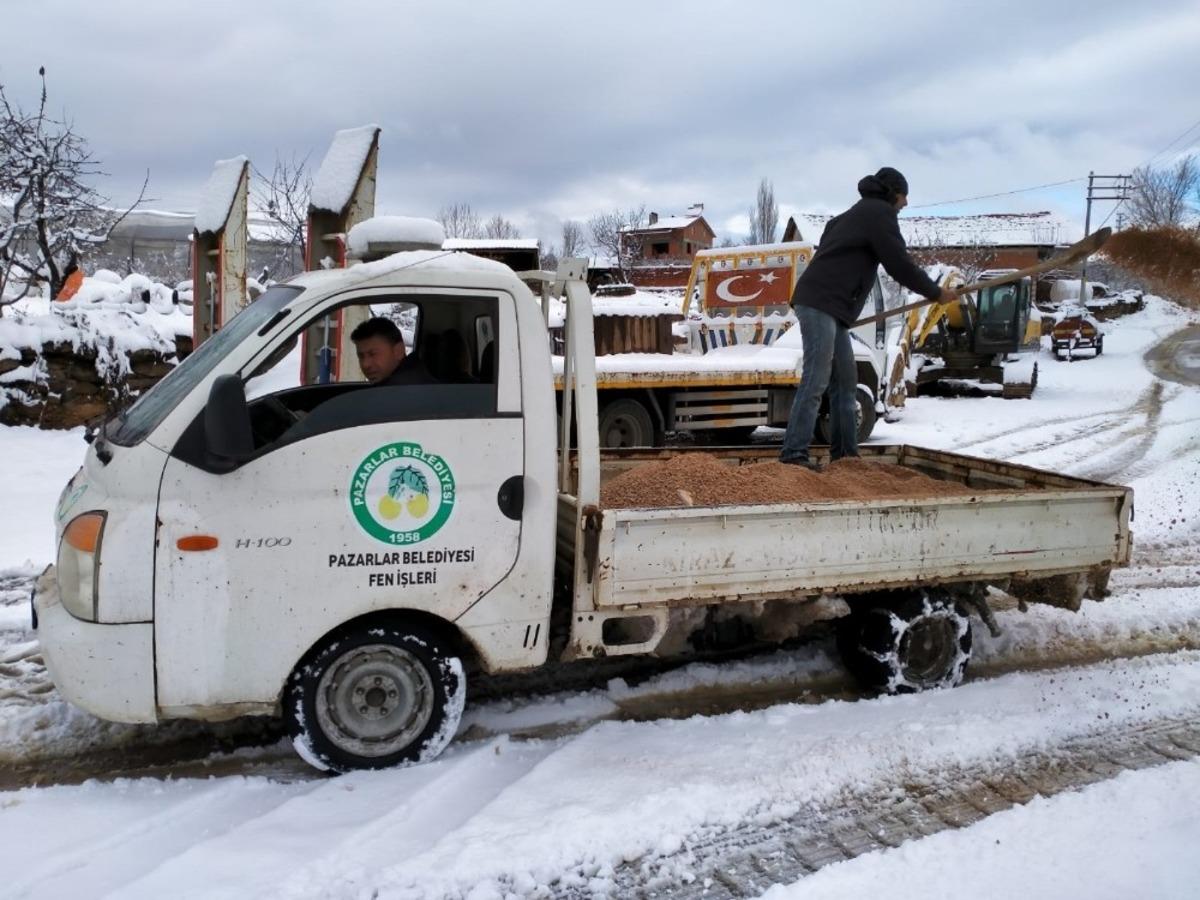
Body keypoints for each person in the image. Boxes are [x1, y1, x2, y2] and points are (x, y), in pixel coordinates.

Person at [779, 167, 955, 469]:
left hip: (832, 309)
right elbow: (899, 264)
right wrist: (936, 292)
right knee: (816, 379)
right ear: (892, 193)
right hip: (820, 303)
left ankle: (846, 459)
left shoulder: (847, 218)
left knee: (846, 383)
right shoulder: (878, 214)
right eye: (903, 195)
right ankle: (793, 456)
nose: (906, 202)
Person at [349, 317, 437, 386]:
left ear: (398, 351)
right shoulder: (409, 377)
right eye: (361, 356)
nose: (365, 364)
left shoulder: (400, 391)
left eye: (373, 354)